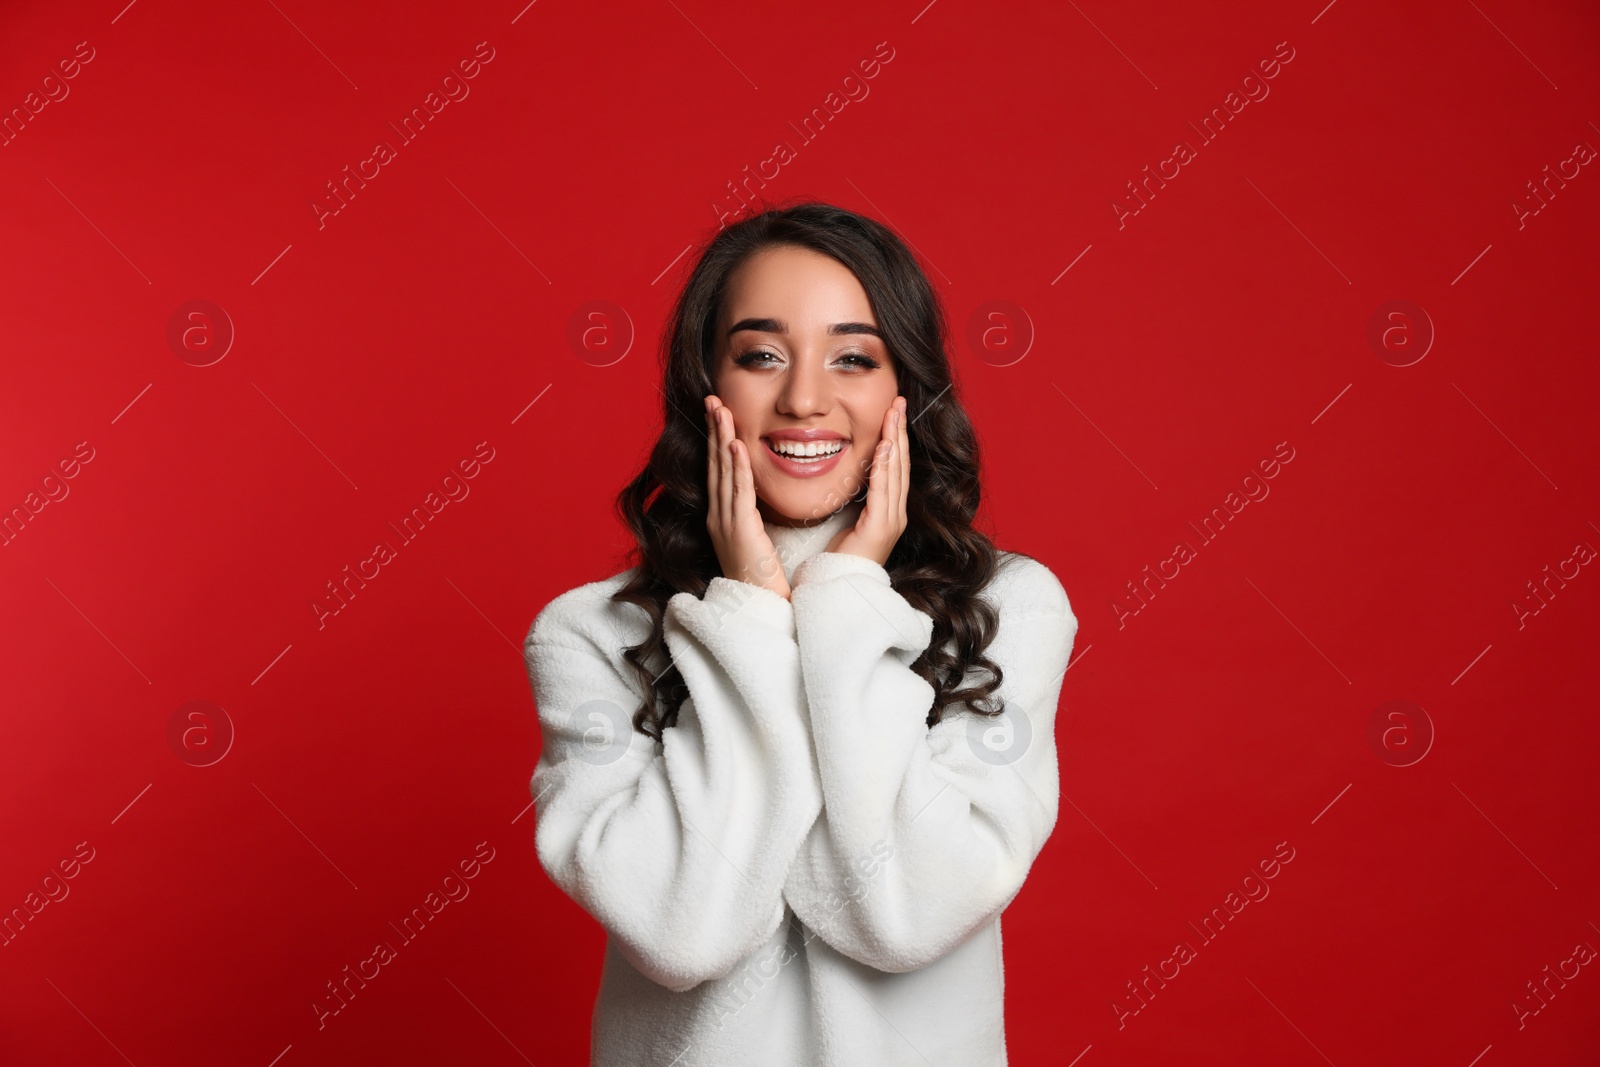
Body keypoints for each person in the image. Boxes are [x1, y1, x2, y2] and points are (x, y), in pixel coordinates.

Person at [522, 200, 1078, 1065]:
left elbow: (901, 915)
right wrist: (749, 608)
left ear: (906, 390)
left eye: (853, 357)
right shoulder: (590, 635)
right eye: (762, 355)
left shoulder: (1009, 612)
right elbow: (685, 928)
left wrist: (847, 597)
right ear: (706, 384)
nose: (805, 398)